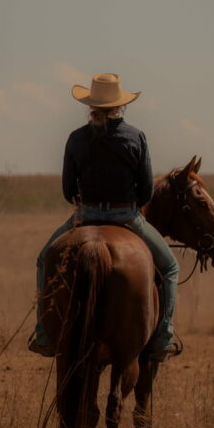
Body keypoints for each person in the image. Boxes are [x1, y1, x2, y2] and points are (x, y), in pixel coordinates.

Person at [28, 73, 180, 362]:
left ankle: (44, 335)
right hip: (127, 217)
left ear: (91, 105)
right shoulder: (136, 136)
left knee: (43, 260)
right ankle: (163, 337)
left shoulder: (75, 138)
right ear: (119, 106)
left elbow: (67, 189)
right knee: (170, 268)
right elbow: (147, 190)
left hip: (84, 216)